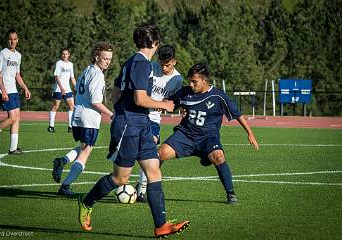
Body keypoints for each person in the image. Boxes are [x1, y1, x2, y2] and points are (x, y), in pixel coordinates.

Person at [77, 23, 190, 238]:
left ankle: (161, 225)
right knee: (120, 179)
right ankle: (87, 201)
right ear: (155, 43)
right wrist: (164, 105)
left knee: (154, 171)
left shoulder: (132, 61)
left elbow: (117, 91)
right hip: (129, 127)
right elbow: (139, 98)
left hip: (141, 125)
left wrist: (124, 109)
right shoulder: (141, 64)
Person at [158, 63, 259, 204]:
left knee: (218, 156)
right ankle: (147, 188)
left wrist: (250, 133)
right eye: (190, 81)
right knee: (160, 153)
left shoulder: (218, 96)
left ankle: (231, 194)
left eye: (195, 81)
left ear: (204, 81)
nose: (191, 85)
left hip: (208, 138)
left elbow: (237, 114)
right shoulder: (185, 92)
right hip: (185, 135)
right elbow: (168, 103)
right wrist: (160, 106)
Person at [51, 42, 114, 196]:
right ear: (96, 56)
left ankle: (63, 161)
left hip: (77, 116)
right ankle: (65, 186)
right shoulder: (97, 75)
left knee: (84, 147)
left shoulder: (87, 70)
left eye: (110, 59)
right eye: (105, 58)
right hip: (89, 118)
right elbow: (95, 102)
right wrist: (112, 114)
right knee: (86, 152)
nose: (107, 62)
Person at [135, 44, 183, 202]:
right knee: (129, 149)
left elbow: (173, 100)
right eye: (161, 63)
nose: (163, 67)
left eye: (167, 65)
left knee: (150, 145)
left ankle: (141, 189)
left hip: (154, 117)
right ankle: (121, 179)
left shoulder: (177, 79)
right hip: (139, 113)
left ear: (174, 62)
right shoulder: (149, 68)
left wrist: (173, 105)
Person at [0, 29, 31, 154]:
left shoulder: (18, 55)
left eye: (14, 39)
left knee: (17, 117)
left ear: (17, 40)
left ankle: (13, 148)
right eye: (10, 39)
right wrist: (3, 91)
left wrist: (25, 87)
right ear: (7, 40)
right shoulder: (2, 53)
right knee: (12, 117)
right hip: (5, 90)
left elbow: (17, 75)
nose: (12, 41)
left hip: (13, 89)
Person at [47, 48, 76, 133]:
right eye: (63, 54)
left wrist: (77, 87)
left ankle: (70, 127)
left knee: (72, 106)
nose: (65, 55)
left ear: (69, 55)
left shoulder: (71, 64)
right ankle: (51, 126)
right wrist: (62, 88)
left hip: (68, 89)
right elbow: (57, 76)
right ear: (61, 55)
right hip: (59, 89)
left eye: (66, 54)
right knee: (56, 106)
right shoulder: (59, 63)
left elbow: (72, 77)